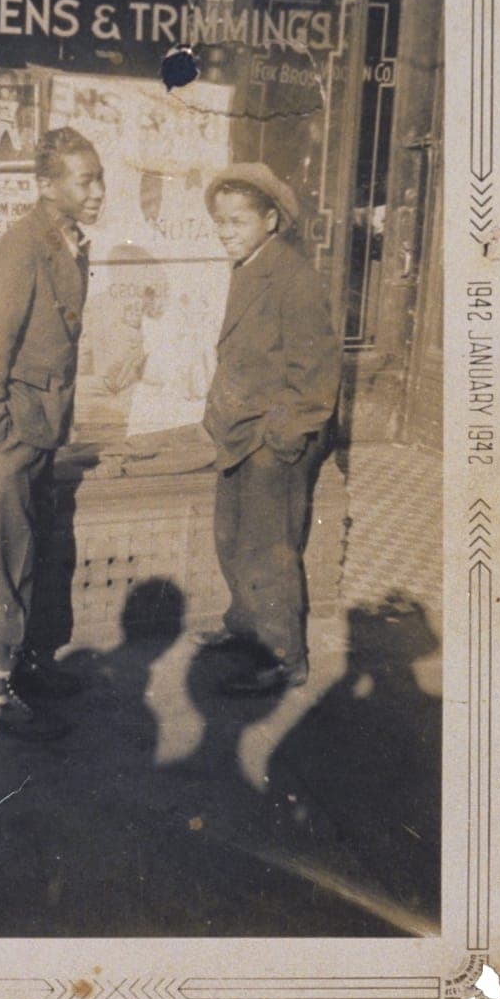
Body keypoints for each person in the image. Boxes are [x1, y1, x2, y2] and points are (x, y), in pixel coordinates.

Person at [0, 125, 105, 735]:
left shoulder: (66, 241)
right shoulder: (22, 249)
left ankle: (28, 667)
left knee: (34, 548)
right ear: (47, 186)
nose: (97, 190)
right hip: (13, 428)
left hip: (41, 425)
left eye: (99, 177)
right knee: (2, 553)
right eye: (84, 180)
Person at [201, 163, 340, 694]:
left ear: (271, 220)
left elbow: (314, 379)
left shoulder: (293, 278)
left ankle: (285, 658)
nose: (225, 231)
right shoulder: (252, 267)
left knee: (270, 551)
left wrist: (276, 439)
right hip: (240, 432)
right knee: (232, 538)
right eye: (220, 221)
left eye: (237, 221)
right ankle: (246, 627)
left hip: (269, 440)